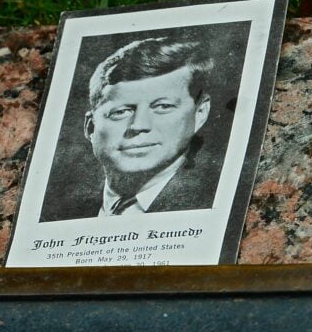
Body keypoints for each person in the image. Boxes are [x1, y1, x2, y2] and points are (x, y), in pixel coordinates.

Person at [78, 36, 219, 217]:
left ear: (199, 114)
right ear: (91, 128)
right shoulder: (61, 209)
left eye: (163, 107)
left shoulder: (215, 202)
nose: (139, 126)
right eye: (121, 112)